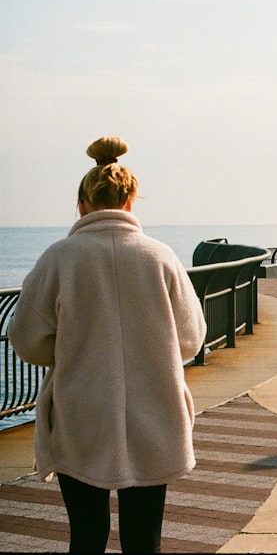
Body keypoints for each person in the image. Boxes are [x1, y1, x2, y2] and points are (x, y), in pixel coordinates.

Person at [9, 137, 207, 553]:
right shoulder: (160, 256)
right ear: (130, 202)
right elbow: (190, 339)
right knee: (144, 537)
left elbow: (26, 340)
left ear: (82, 203)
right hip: (156, 414)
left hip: (81, 415)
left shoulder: (60, 257)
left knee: (85, 534)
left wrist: (71, 353)